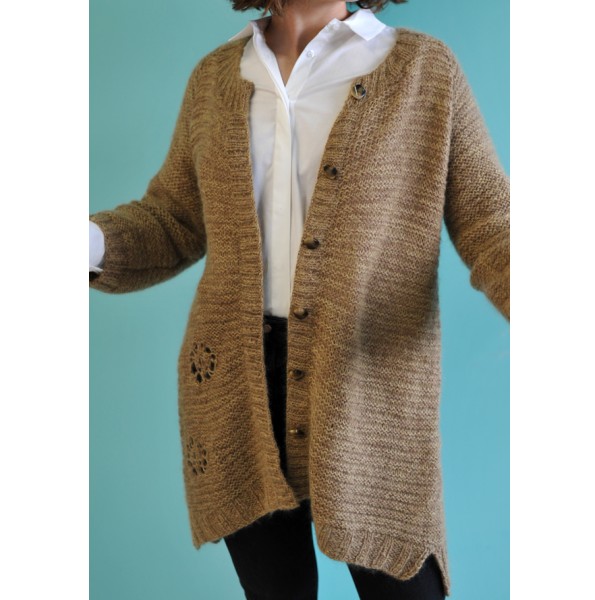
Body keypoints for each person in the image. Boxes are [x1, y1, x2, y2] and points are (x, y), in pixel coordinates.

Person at [90, 0, 509, 598]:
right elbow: (173, 220)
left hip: (368, 390)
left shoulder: (423, 69)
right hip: (237, 391)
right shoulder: (216, 77)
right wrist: (85, 242)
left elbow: (491, 222)